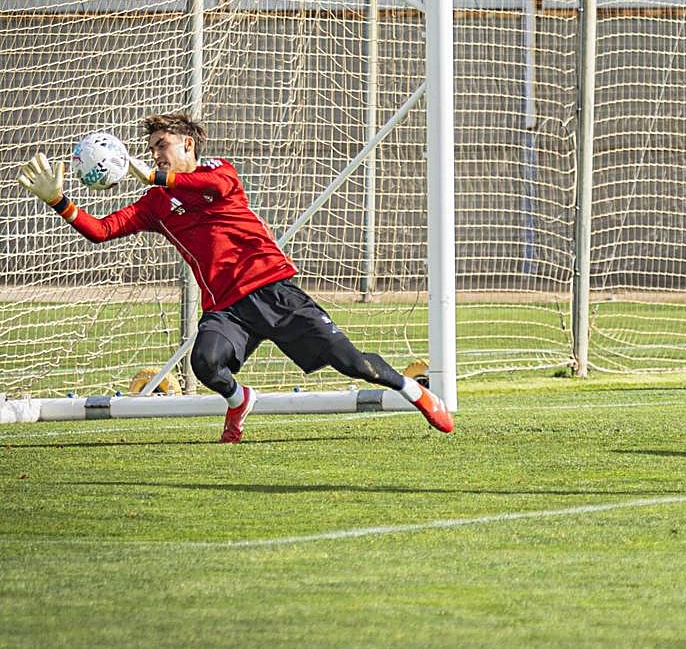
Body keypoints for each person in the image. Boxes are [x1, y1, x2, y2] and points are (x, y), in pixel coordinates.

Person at [16, 114, 454, 442]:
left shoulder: (218, 172)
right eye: (150, 149)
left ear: (188, 144)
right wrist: (59, 201)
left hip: (274, 293)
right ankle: (239, 400)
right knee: (205, 363)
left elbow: (212, 187)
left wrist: (151, 173)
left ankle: (413, 392)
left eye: (161, 145)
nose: (153, 153)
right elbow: (101, 231)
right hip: (227, 310)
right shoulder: (154, 204)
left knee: (354, 364)